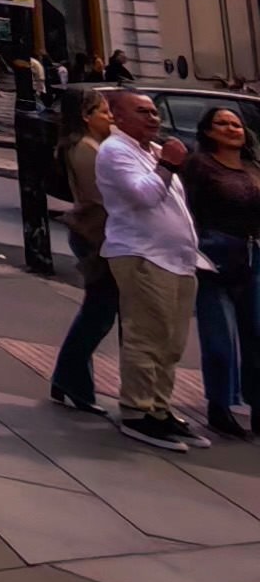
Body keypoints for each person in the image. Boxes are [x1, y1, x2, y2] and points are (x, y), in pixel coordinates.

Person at [98, 90, 203, 449]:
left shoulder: (152, 151)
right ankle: (137, 411)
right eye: (142, 112)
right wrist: (168, 166)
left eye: (154, 112)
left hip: (177, 259)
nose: (153, 118)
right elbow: (143, 196)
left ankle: (159, 408)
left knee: (171, 342)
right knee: (147, 337)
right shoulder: (115, 151)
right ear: (118, 117)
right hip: (144, 256)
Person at [180, 102, 259, 438]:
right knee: (219, 339)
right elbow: (185, 208)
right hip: (214, 259)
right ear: (208, 131)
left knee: (257, 336)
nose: (231, 129)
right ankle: (219, 406)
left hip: (253, 258)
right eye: (223, 123)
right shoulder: (199, 165)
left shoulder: (253, 167)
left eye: (236, 124)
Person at [49, 90, 120, 412]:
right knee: (98, 313)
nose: (111, 117)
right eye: (104, 111)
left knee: (98, 311)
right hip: (97, 237)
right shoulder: (87, 150)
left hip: (97, 235)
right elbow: (102, 198)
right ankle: (71, 380)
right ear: (86, 116)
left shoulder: (91, 145)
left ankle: (69, 379)